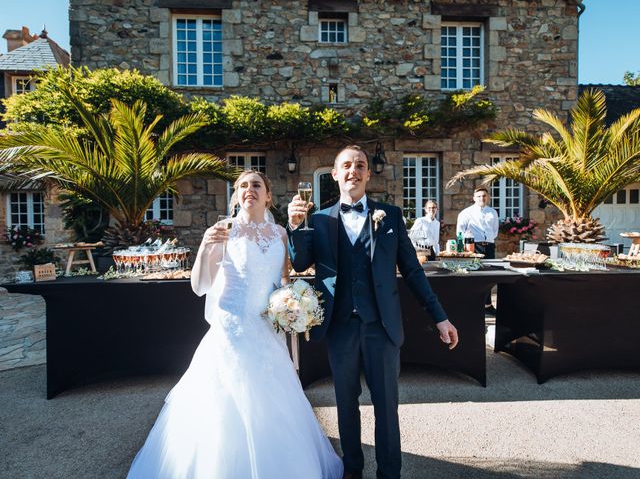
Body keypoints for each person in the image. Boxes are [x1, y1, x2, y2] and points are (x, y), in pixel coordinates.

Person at [127, 171, 343, 479]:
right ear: (236, 196)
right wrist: (204, 246)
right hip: (231, 331)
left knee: (274, 405)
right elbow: (200, 286)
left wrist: (291, 305)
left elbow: (282, 281)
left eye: (257, 185)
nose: (249, 189)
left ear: (268, 195)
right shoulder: (223, 230)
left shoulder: (280, 233)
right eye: (243, 185)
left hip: (268, 332)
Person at [287, 146, 458, 479]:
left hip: (381, 326)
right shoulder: (319, 219)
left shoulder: (390, 216)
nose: (354, 170)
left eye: (360, 165)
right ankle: (353, 470)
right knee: (346, 406)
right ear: (334, 174)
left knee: (386, 407)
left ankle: (389, 472)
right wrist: (296, 226)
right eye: (347, 165)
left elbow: (412, 271)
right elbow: (300, 262)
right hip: (339, 327)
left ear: (368, 174)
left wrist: (439, 316)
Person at [456, 187, 499, 314]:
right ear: (474, 198)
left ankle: (487, 305)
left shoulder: (493, 212)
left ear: (488, 197)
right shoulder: (466, 213)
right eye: (479, 196)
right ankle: (474, 305)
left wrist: (488, 240)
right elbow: (460, 232)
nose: (482, 198)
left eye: (484, 196)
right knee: (475, 275)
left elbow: (495, 231)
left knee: (489, 276)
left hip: (489, 246)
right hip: (474, 246)